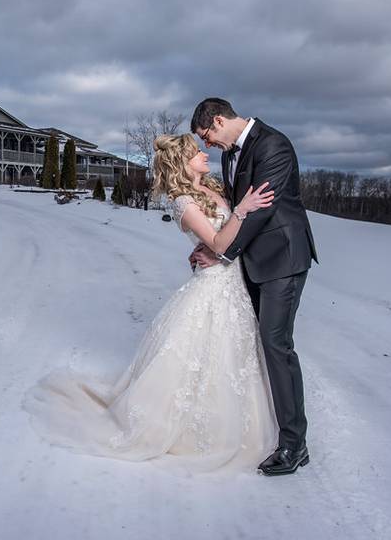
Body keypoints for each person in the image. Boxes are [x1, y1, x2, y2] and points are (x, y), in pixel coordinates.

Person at [22, 133, 279, 472]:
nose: (204, 154)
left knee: (234, 357)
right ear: (181, 163)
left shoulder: (213, 189)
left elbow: (224, 244)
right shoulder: (183, 202)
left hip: (233, 287)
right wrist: (242, 212)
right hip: (214, 289)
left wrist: (224, 237)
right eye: (196, 152)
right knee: (206, 357)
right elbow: (218, 241)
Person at [191, 97, 317, 476]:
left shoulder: (273, 145)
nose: (207, 146)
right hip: (254, 260)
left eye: (206, 137)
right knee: (256, 343)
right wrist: (210, 239)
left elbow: (261, 209)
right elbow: (235, 208)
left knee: (276, 344)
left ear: (217, 121)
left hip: (283, 259)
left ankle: (294, 445)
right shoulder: (232, 153)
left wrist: (222, 254)